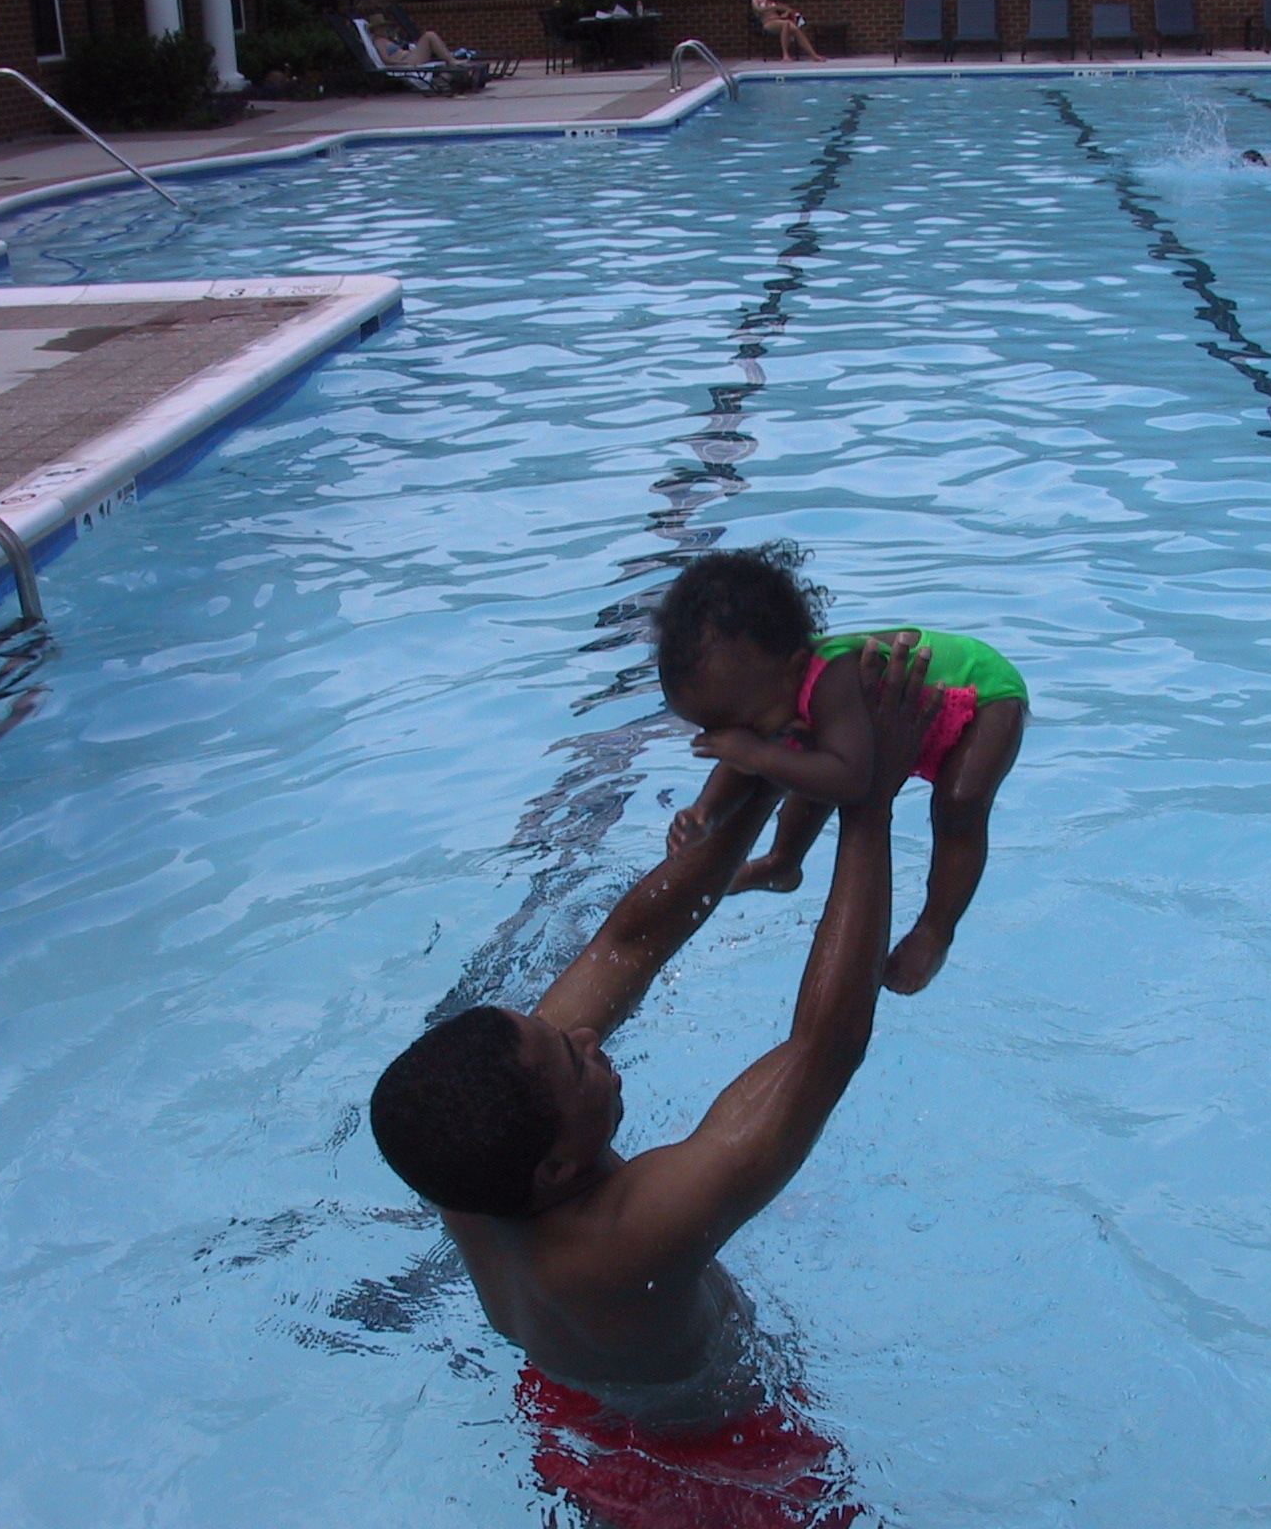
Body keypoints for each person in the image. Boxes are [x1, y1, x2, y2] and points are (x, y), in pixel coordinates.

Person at [370, 636, 934, 1518]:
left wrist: (767, 763)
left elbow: (627, 942)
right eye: (572, 1060)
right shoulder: (635, 1234)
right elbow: (824, 1049)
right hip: (722, 1471)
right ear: (555, 1169)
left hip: (572, 1413)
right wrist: (870, 798)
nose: (588, 1036)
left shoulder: (466, 1152)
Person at [657, 543, 1027, 995]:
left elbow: (852, 780)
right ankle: (781, 864)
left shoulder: (834, 680)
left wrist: (756, 753)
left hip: (981, 698)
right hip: (890, 731)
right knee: (799, 759)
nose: (741, 739)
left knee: (959, 803)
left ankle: (935, 930)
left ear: (794, 669)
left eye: (747, 727)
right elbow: (744, 760)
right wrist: (705, 814)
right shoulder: (769, 687)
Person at [752, 0, 826, 61]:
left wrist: (785, 13)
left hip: (779, 21)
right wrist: (773, 8)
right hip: (768, 23)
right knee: (786, 24)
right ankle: (785, 55)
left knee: (795, 29)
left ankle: (814, 55)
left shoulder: (775, 3)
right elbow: (759, 10)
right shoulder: (756, 1)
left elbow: (789, 9)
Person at [368, 19, 461, 67]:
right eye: (380, 27)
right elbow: (386, 60)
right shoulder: (378, 42)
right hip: (407, 60)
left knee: (430, 38)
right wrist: (402, 64)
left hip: (410, 56)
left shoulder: (385, 39)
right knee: (429, 35)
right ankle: (451, 60)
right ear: (374, 29)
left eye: (384, 26)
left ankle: (450, 60)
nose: (384, 29)